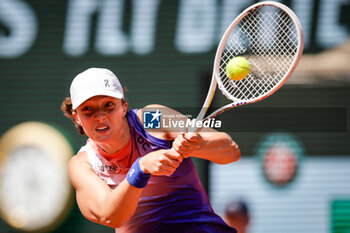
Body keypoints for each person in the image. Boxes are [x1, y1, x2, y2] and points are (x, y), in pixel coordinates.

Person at [61, 67, 241, 233]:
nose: (100, 117)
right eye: (88, 110)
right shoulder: (83, 164)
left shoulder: (153, 118)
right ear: (77, 117)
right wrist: (140, 169)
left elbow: (231, 152)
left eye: (109, 105)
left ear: (123, 107)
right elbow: (111, 216)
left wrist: (198, 146)